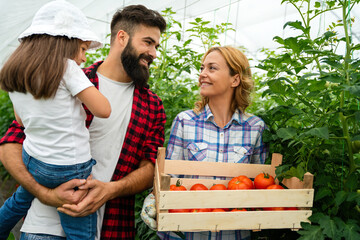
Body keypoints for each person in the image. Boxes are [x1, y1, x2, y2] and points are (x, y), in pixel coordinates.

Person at [0, 3, 166, 240]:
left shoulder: (152, 105)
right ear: (122, 37)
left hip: (110, 228)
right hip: (45, 227)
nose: (154, 53)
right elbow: (11, 143)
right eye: (148, 42)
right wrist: (44, 193)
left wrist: (111, 190)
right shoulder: (63, 77)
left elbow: (150, 167)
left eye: (156, 46)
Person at [0, 1, 111, 239]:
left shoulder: (13, 68)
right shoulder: (67, 68)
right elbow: (103, 110)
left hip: (33, 161)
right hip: (69, 168)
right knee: (79, 227)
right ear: (66, 42)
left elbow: (20, 120)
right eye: (82, 49)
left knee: (17, 202)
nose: (83, 58)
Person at [141, 46, 268, 240]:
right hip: (187, 233)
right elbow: (170, 177)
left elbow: (260, 186)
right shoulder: (185, 121)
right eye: (202, 68)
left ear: (235, 79)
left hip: (234, 234)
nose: (202, 74)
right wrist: (154, 197)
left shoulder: (255, 127)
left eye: (212, 68)